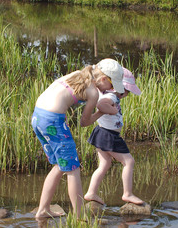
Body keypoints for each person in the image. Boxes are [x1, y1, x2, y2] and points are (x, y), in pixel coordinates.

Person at [32, 58, 124, 219]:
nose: (110, 89)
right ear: (103, 79)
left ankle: (43, 209)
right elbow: (84, 122)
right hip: (53, 121)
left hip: (38, 117)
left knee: (60, 166)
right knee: (73, 169)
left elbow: (59, 95)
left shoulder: (77, 74)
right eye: (111, 85)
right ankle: (80, 217)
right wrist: (102, 112)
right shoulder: (93, 93)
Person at [84, 68, 145, 207]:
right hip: (109, 135)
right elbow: (101, 104)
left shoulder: (105, 93)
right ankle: (127, 193)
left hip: (101, 132)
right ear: (121, 87)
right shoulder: (111, 96)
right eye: (127, 90)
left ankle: (91, 192)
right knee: (129, 162)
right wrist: (111, 110)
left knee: (104, 164)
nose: (128, 94)